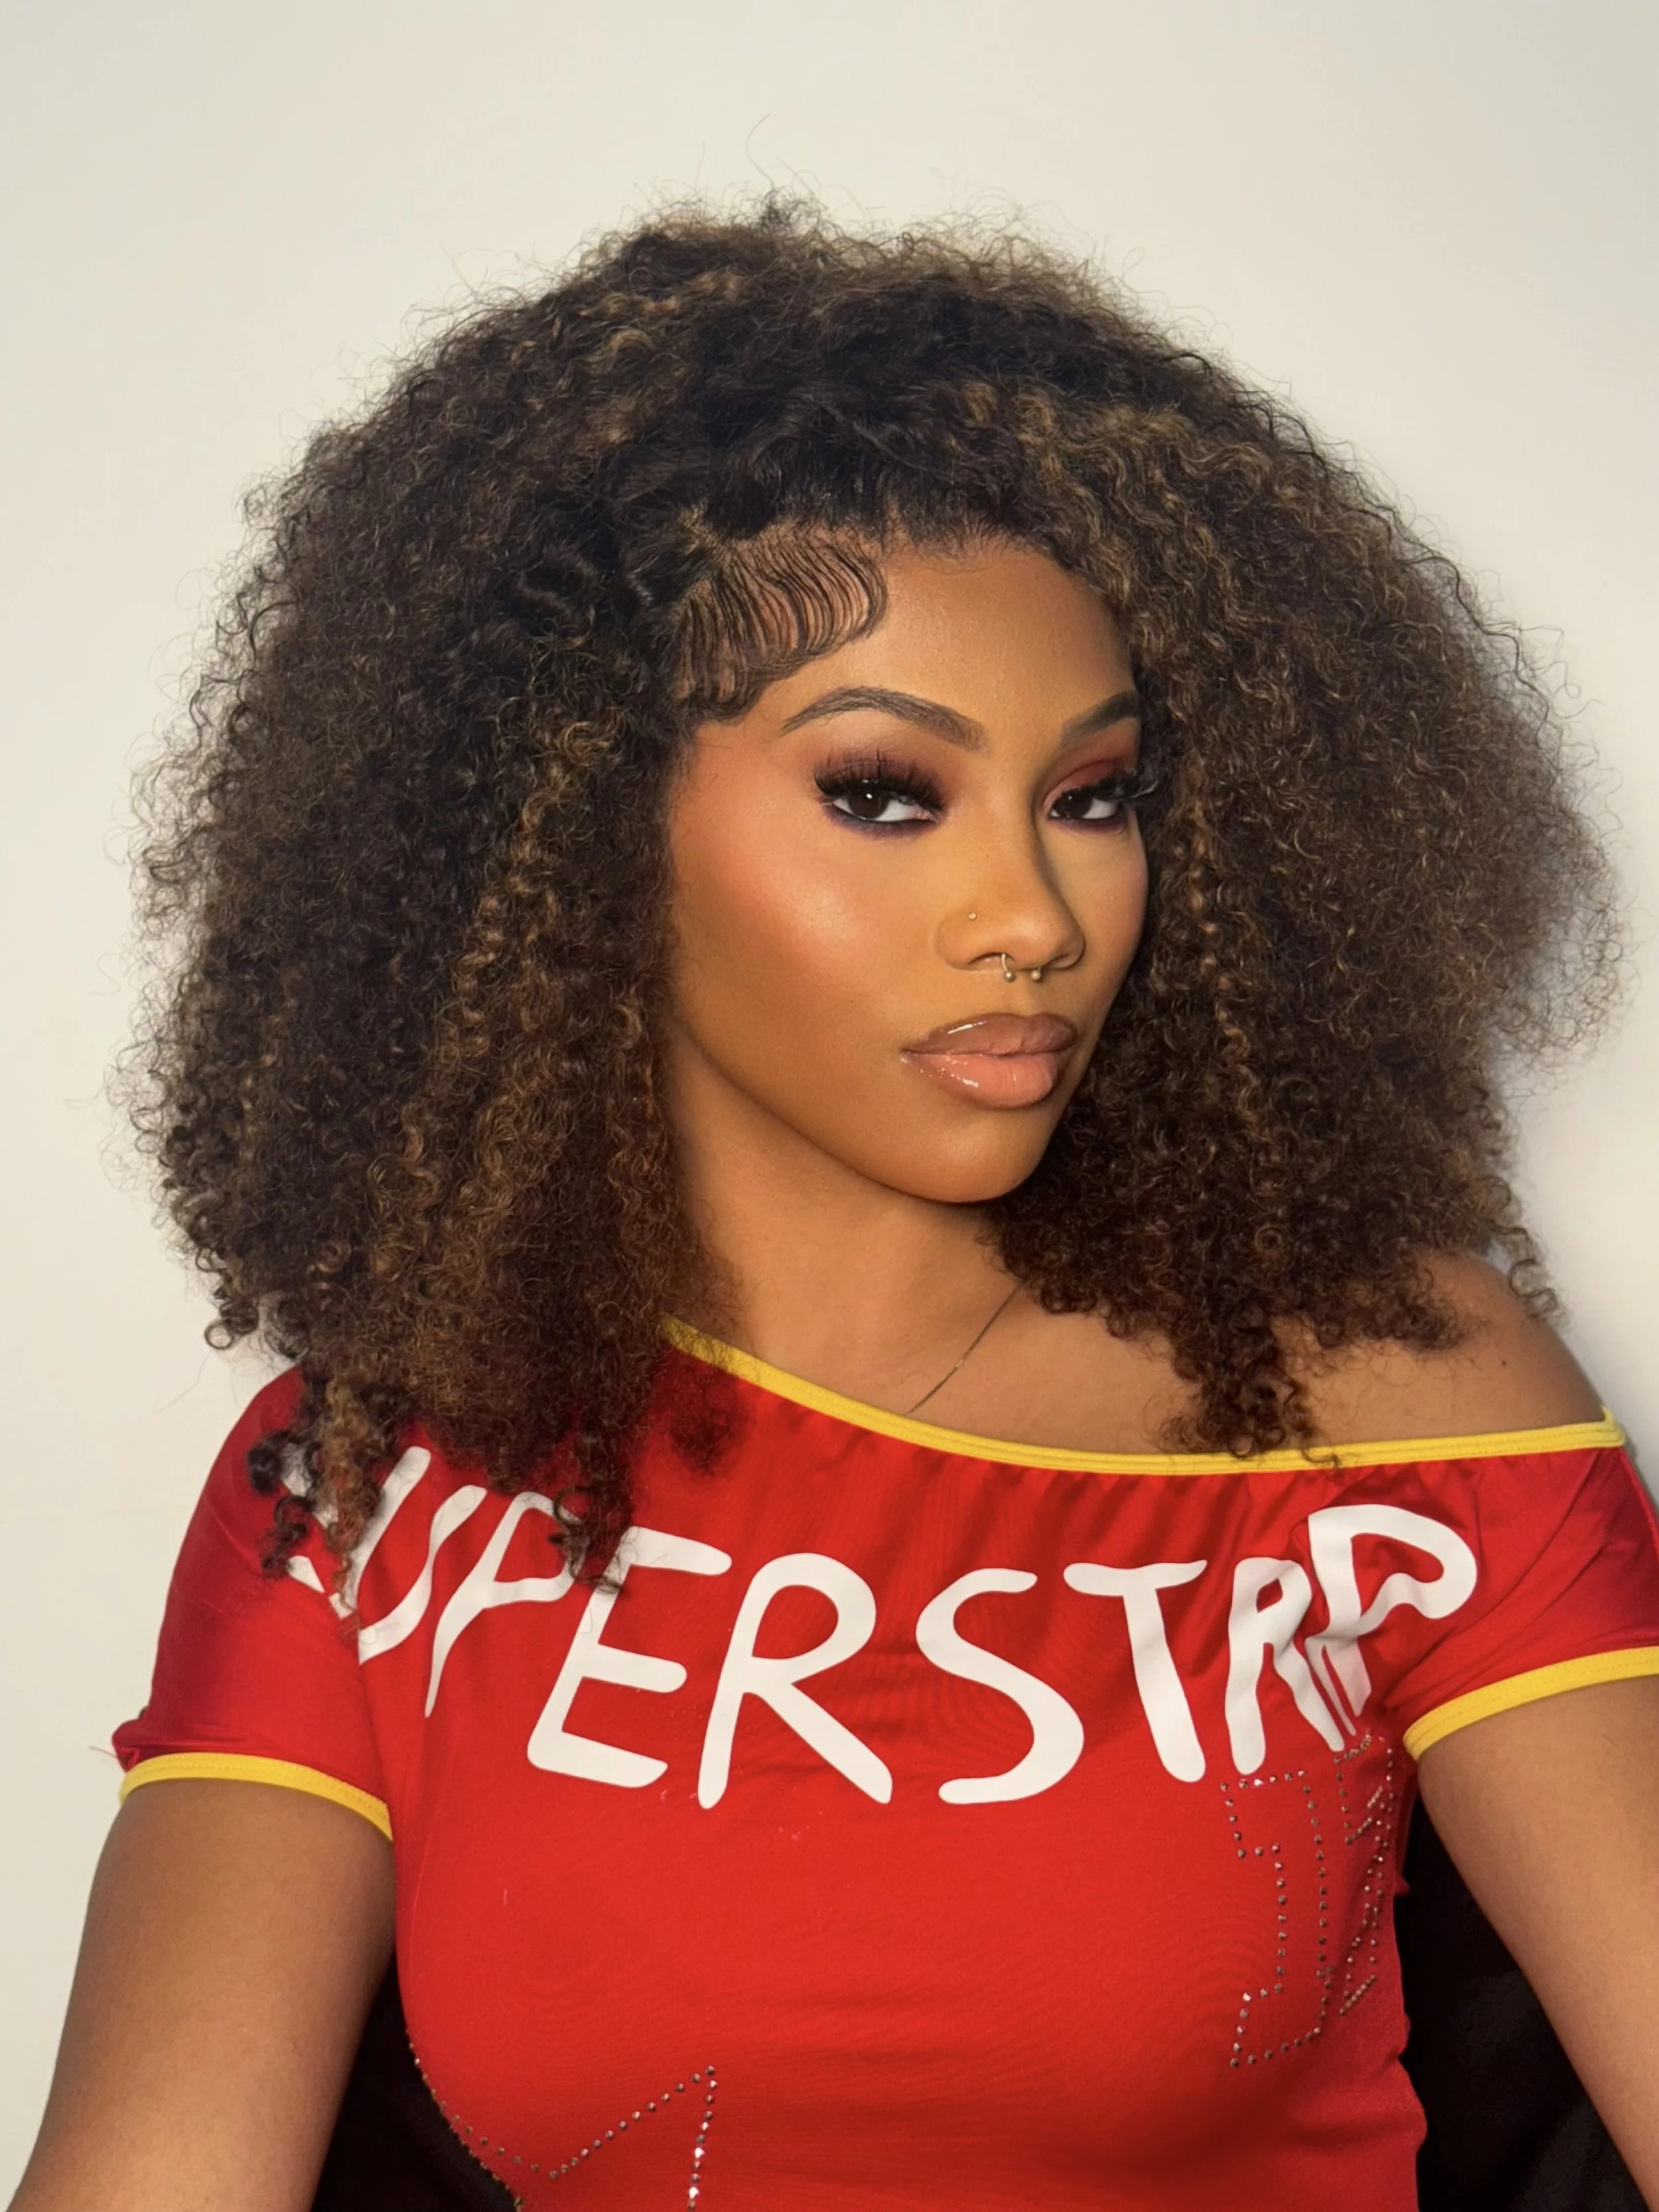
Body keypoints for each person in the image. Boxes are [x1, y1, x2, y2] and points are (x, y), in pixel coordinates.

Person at [12, 201, 1659, 2212]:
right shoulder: (369, 1483)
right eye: (883, 791)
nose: (1032, 917)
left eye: (1093, 796)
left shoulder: (1390, 1403)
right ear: (580, 823)